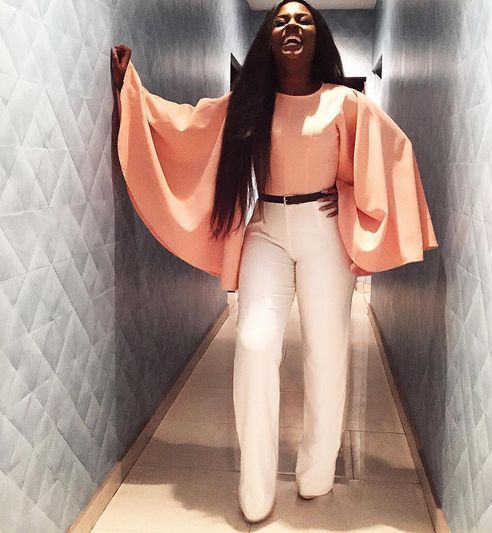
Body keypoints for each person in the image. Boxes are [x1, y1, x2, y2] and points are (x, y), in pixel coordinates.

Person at [111, 0, 438, 524]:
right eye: (281, 19)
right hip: (265, 228)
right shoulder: (249, 103)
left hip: (325, 234)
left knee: (327, 352)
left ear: (317, 36)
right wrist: (132, 92)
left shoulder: (344, 102)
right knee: (254, 344)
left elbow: (394, 152)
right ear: (268, 36)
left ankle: (317, 470)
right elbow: (188, 125)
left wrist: (347, 197)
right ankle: (255, 482)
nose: (292, 26)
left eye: (303, 19)